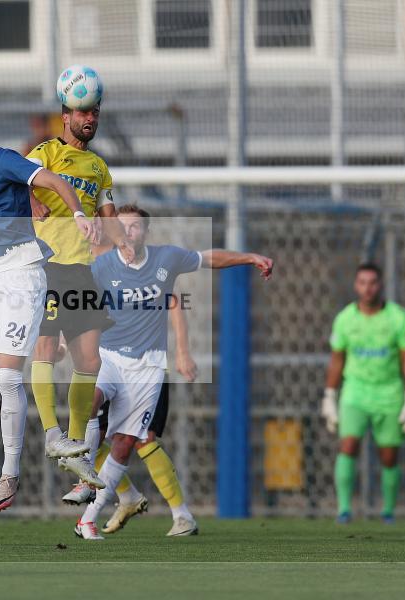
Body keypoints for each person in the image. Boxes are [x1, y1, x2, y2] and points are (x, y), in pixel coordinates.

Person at [74, 205, 273, 540]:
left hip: (148, 367)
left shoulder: (165, 260)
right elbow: (76, 303)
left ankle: (89, 519)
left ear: (146, 232)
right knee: (86, 406)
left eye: (136, 227)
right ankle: (88, 479)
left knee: (127, 442)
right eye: (122, 227)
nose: (129, 232)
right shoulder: (100, 265)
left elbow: (206, 261)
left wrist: (249, 257)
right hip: (109, 360)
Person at [0, 102, 96, 510]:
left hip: (22, 273)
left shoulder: (5, 160)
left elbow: (53, 181)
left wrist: (77, 213)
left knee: (10, 376)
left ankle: (9, 473)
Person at [26, 101, 133, 486]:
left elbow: (108, 215)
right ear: (65, 117)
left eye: (95, 113)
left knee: (88, 361)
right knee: (44, 351)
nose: (89, 119)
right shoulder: (46, 153)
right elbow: (15, 185)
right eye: (82, 113)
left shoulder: (100, 168)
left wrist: (123, 242)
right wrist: (34, 200)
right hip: (48, 265)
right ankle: (53, 436)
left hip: (83, 271)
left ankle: (74, 447)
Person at [62, 291, 202, 537]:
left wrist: (182, 350)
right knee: (92, 428)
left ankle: (182, 516)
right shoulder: (89, 269)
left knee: (143, 439)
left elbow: (173, 301)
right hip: (106, 366)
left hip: (144, 368)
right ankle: (127, 496)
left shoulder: (142, 268)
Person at [321, 263, 405, 524]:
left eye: (372, 282)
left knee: (389, 455)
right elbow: (336, 360)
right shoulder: (345, 319)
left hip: (389, 393)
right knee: (348, 445)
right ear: (356, 285)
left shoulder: (398, 317)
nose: (367, 288)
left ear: (381, 285)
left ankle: (388, 511)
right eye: (362, 282)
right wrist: (329, 396)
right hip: (355, 391)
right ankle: (343, 509)